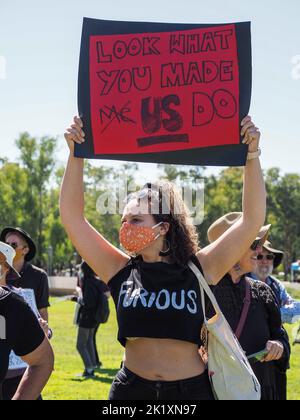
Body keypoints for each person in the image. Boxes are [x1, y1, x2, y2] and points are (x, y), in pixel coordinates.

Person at [60, 114, 266, 400]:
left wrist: (252, 154)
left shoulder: (200, 268)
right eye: (123, 220)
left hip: (189, 392)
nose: (125, 227)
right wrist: (75, 153)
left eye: (136, 219)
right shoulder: (119, 269)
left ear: (164, 227)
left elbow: (251, 219)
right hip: (130, 391)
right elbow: (73, 218)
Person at [204, 214, 290, 400]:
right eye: (254, 244)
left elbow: (280, 337)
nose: (259, 251)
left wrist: (279, 346)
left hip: (261, 392)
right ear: (229, 248)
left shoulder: (262, 292)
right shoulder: (202, 294)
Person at [0, 242, 54, 400]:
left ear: (6, 268)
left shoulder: (14, 301)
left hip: (18, 373)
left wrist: (43, 333)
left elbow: (38, 327)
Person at [251, 241, 300, 400]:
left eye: (269, 256)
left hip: (277, 357)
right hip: (252, 358)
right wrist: (281, 314)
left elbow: (296, 311)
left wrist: (268, 314)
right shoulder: (242, 283)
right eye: (260, 256)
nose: (264, 260)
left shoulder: (277, 286)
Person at [0, 227, 50, 322]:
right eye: (6, 244)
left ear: (25, 250)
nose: (9, 248)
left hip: (27, 332)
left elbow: (42, 311)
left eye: (14, 245)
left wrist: (45, 334)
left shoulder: (39, 276)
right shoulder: (0, 272)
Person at [75, 261, 109, 378]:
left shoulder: (88, 282)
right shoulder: (97, 281)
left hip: (87, 318)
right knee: (89, 342)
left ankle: (89, 369)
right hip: (94, 318)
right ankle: (92, 367)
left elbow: (88, 302)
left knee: (80, 345)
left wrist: (78, 299)